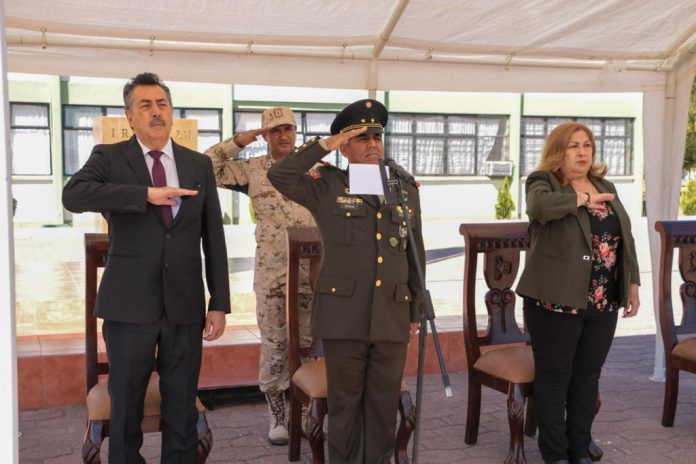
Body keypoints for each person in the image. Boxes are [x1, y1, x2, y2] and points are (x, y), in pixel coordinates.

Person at [62, 72, 230, 464]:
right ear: (130, 117)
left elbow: (214, 237)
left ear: (171, 113)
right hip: (128, 306)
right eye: (145, 105)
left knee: (181, 408)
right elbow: (73, 195)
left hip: (185, 305)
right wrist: (145, 195)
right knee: (125, 414)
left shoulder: (198, 164)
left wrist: (219, 301)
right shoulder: (109, 157)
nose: (156, 113)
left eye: (162, 104)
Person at [267, 99, 425, 464]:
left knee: (383, 411)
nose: (372, 143)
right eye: (361, 137)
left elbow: (414, 249)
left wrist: (415, 305)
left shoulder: (401, 185)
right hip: (345, 315)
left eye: (377, 136)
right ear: (346, 144)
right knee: (345, 410)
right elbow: (281, 175)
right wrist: (327, 144)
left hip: (392, 313)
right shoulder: (327, 184)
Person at [516, 122, 640, 464]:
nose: (583, 152)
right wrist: (583, 199)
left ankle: (579, 449)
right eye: (574, 146)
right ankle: (555, 454)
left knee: (587, 377)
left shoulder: (606, 184)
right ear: (559, 150)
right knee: (555, 378)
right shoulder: (543, 182)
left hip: (602, 299)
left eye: (587, 145)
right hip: (554, 301)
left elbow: (623, 237)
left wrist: (631, 283)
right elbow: (539, 209)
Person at [204, 107, 315, 445]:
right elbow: (207, 166)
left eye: (289, 129)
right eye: (275, 130)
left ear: (297, 133)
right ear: (265, 135)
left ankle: (308, 410)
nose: (283, 136)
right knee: (275, 344)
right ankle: (278, 413)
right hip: (271, 276)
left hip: (313, 274)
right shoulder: (251, 171)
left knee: (310, 342)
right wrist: (241, 140)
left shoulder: (316, 170)